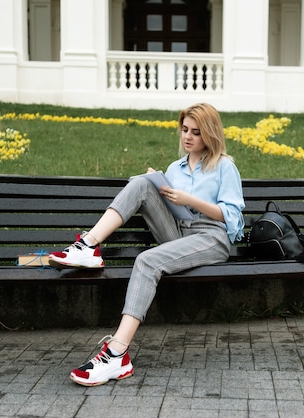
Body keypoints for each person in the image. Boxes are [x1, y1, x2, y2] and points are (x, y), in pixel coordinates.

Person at [48, 103, 246, 387]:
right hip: (179, 232)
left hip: (211, 237)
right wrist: (160, 186)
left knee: (146, 260)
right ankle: (88, 245)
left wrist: (189, 200)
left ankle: (117, 353)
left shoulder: (225, 166)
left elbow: (233, 219)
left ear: (210, 134)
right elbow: (170, 206)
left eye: (196, 132)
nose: (187, 137)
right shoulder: (175, 169)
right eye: (184, 130)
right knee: (142, 183)